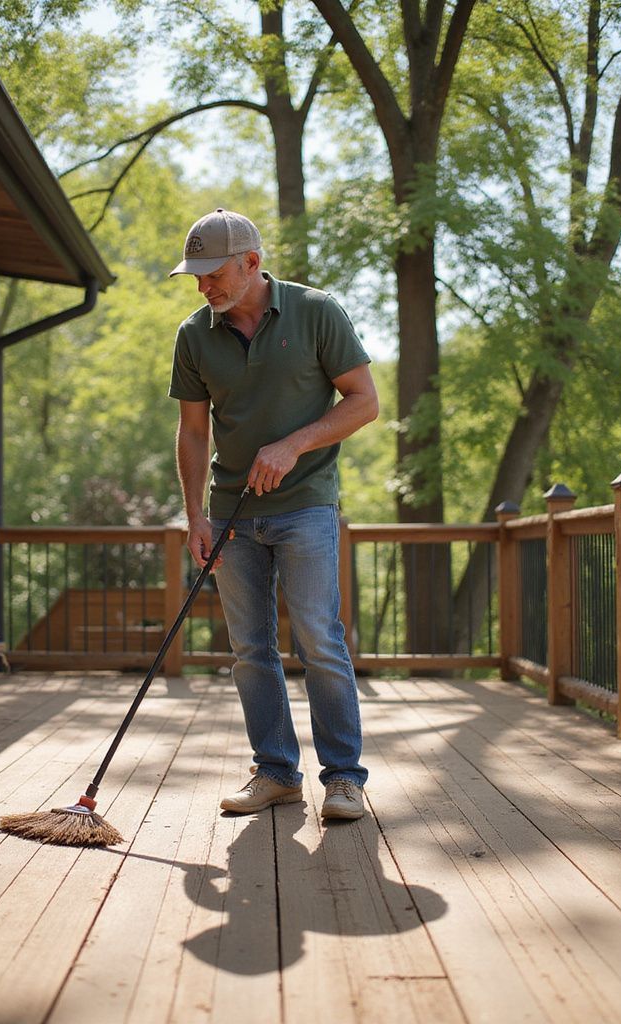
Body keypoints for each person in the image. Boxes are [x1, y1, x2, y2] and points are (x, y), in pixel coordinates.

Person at [168, 208, 379, 821]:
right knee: (249, 649)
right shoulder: (194, 335)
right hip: (230, 513)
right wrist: (193, 515)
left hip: (306, 504)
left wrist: (292, 446)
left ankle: (343, 778)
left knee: (318, 635)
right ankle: (277, 773)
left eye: (212, 274)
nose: (203, 285)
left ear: (251, 263)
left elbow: (364, 401)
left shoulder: (316, 312)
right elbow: (191, 430)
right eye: (196, 275)